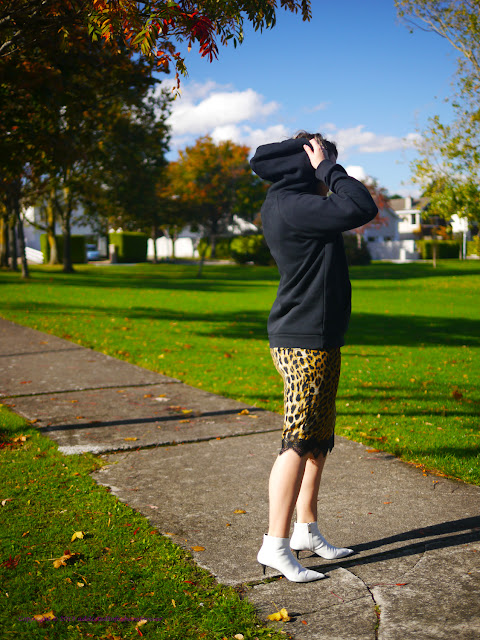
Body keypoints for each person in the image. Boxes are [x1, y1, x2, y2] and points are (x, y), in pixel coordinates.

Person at [250, 131, 378, 582]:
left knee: (318, 438)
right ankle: (275, 544)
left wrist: (323, 169)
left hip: (317, 335)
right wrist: (328, 167)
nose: (328, 173)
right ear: (307, 163)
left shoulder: (291, 202)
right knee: (297, 441)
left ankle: (306, 530)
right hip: (304, 340)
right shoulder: (294, 204)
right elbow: (361, 206)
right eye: (323, 163)